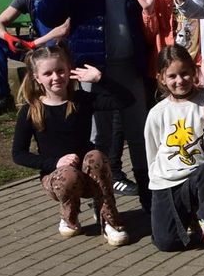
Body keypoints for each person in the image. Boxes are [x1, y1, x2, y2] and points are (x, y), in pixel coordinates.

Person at [37, 0, 152, 210]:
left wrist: (147, 10)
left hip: (129, 69)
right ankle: (100, 200)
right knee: (97, 138)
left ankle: (151, 199)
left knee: (139, 134)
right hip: (92, 71)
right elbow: (49, 16)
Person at [11, 44, 130, 246]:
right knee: (67, 174)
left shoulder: (81, 100)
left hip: (88, 175)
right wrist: (54, 162)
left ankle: (109, 219)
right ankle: (69, 214)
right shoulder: (31, 111)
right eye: (48, 73)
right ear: (36, 78)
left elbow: (126, 100)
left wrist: (101, 79)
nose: (56, 77)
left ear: (69, 71)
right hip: (57, 178)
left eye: (60, 70)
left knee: (97, 157)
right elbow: (18, 154)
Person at [145, 45, 204, 251]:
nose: (179, 80)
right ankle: (188, 219)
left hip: (197, 177)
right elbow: (152, 152)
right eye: (172, 76)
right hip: (166, 184)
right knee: (167, 243)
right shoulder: (157, 113)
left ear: (194, 71)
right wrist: (156, 179)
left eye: (184, 73)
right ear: (161, 78)